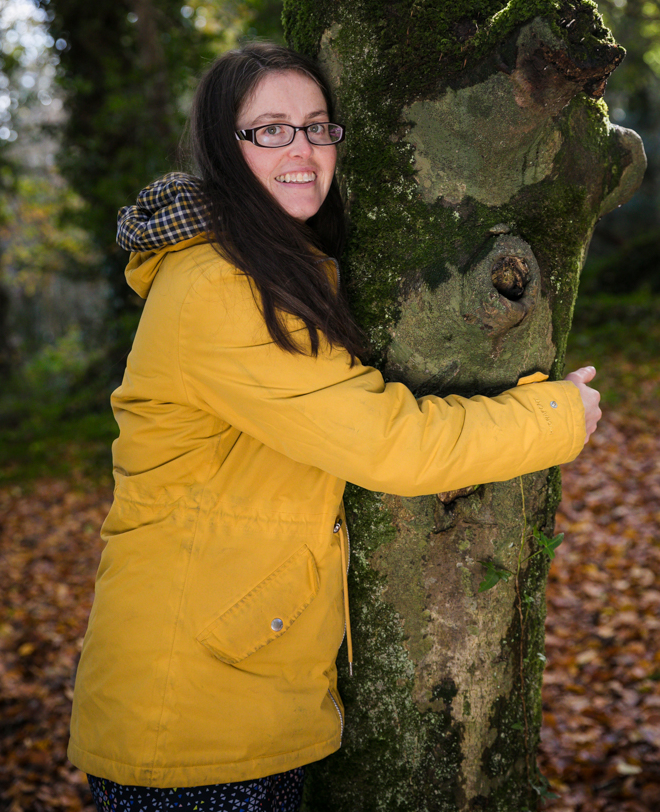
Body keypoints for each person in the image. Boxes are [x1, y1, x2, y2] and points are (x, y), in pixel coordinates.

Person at [68, 43, 601, 812]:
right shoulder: (220, 287)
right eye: (271, 130)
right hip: (189, 720)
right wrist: (551, 417)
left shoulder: (268, 265)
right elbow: (387, 443)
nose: (303, 151)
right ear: (226, 146)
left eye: (318, 128)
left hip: (239, 689)